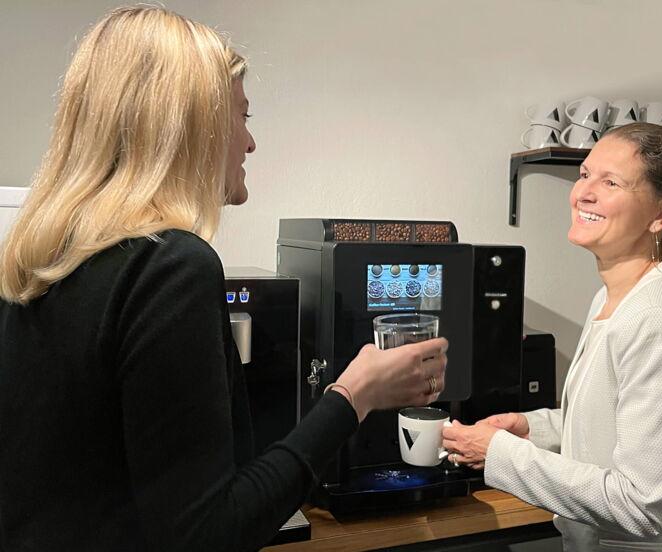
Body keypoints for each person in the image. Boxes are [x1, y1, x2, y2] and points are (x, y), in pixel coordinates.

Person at [0, 7, 448, 552]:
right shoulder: (170, 267)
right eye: (243, 116)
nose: (250, 144)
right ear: (190, 123)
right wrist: (354, 395)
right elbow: (209, 532)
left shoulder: (39, 260)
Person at [443, 122, 662, 551]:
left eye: (611, 182)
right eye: (584, 175)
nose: (584, 193)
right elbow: (613, 421)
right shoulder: (612, 296)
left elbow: (642, 506)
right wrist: (530, 428)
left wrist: (500, 455)